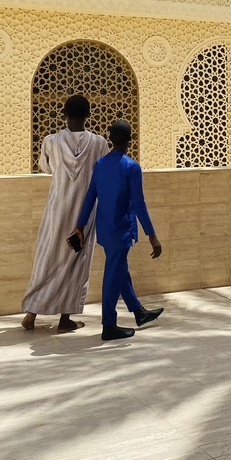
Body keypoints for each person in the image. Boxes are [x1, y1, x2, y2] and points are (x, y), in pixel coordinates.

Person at [22, 95, 108, 333]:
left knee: (47, 259)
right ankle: (65, 319)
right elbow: (102, 172)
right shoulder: (99, 143)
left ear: (64, 114)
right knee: (76, 261)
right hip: (83, 215)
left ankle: (32, 312)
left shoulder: (51, 141)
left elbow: (46, 167)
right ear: (89, 115)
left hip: (56, 213)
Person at [72, 120, 163, 342]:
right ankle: (109, 326)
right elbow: (139, 204)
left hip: (105, 230)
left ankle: (138, 312)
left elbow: (91, 196)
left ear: (110, 140)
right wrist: (152, 235)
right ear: (130, 141)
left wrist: (81, 225)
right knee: (113, 276)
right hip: (122, 229)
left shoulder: (100, 164)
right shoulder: (131, 167)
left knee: (119, 269)